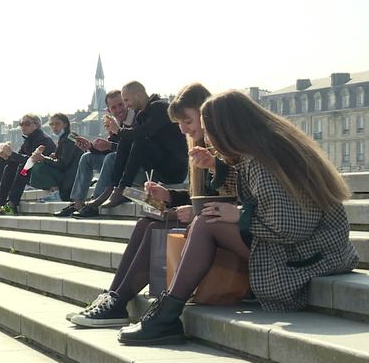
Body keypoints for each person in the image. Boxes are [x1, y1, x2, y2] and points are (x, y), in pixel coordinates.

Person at [116, 90, 359, 346]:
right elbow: (259, 191)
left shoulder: (263, 160)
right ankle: (164, 313)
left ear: (226, 129)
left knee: (206, 223)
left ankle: (165, 314)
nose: (207, 137)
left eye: (209, 130)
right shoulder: (268, 149)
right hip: (316, 247)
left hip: (308, 254)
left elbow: (289, 227)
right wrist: (218, 172)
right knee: (206, 220)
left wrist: (239, 215)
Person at [70, 83, 236, 328]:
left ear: (206, 116)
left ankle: (118, 301)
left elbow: (232, 198)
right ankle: (114, 295)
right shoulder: (201, 146)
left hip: (223, 228)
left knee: (153, 228)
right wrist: (167, 195)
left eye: (188, 122)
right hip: (213, 221)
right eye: (179, 124)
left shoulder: (224, 148)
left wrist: (195, 207)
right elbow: (200, 194)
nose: (183, 130)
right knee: (146, 221)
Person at [101, 81, 189, 209]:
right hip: (159, 168)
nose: (126, 105)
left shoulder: (160, 107)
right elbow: (131, 136)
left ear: (137, 95)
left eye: (126, 100)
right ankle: (113, 188)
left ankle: (122, 188)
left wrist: (119, 131)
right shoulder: (141, 114)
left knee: (138, 139)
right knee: (126, 139)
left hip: (175, 168)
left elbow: (146, 131)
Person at [53, 90, 132, 218]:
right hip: (118, 167)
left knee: (111, 157)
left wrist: (110, 144)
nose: (118, 110)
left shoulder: (133, 121)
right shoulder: (115, 124)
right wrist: (91, 147)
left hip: (133, 169)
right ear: (109, 110)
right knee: (87, 157)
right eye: (113, 107)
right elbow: (112, 148)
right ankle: (77, 203)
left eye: (120, 105)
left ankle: (94, 203)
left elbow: (134, 150)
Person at [0, 114, 55, 215]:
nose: (23, 127)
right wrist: (7, 157)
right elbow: (18, 159)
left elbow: (31, 161)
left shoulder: (43, 140)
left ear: (36, 125)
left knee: (24, 167)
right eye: (21, 124)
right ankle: (0, 203)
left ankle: (12, 204)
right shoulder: (28, 141)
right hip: (32, 172)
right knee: (10, 167)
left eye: (27, 124)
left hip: (44, 174)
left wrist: (12, 154)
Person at [30, 113, 83, 202]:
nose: (54, 127)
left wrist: (43, 158)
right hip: (71, 174)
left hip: (71, 176)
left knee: (39, 167)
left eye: (57, 124)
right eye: (51, 124)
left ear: (65, 124)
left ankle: (56, 193)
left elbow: (63, 164)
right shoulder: (66, 137)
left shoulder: (68, 138)